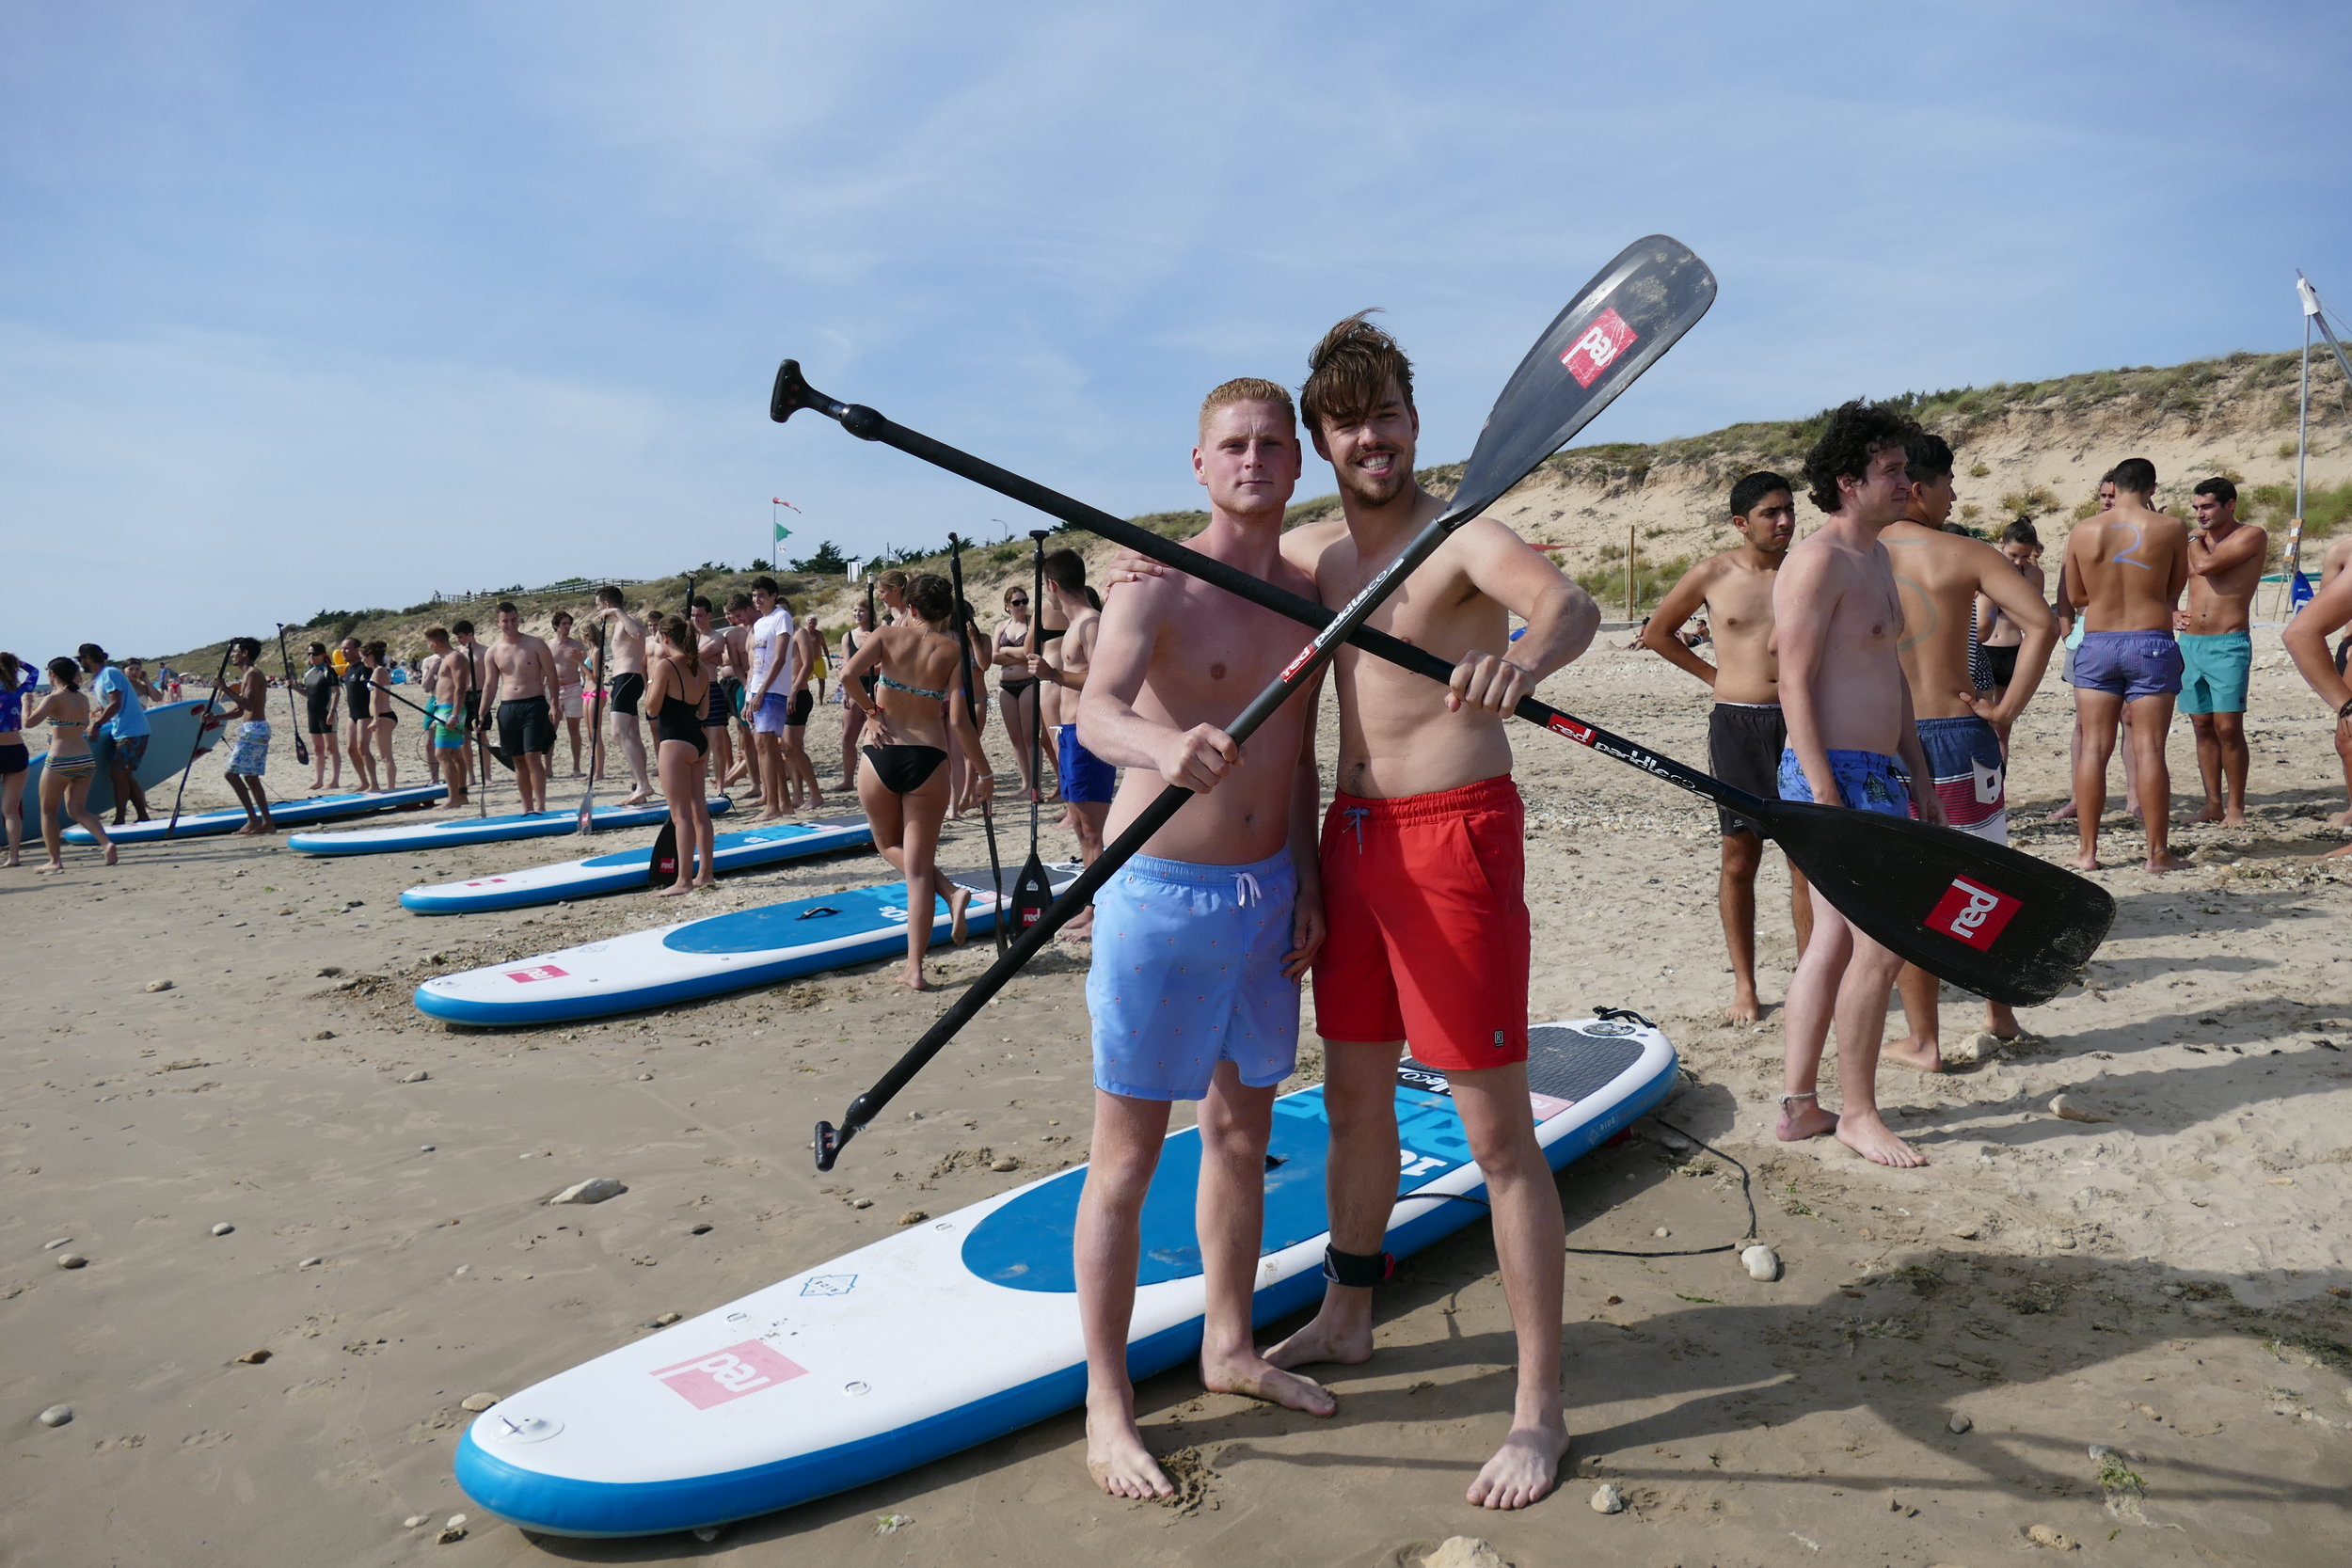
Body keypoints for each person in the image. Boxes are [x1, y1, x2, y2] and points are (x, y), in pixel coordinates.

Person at [1262, 314, 1599, 1512]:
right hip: (1346, 848)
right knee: (1352, 1098)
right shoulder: (1314, 563)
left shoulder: (1460, 539)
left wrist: (1525, 660)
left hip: (1451, 838)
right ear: (1321, 439)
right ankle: (1347, 1311)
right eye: (1347, 420)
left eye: (1387, 413)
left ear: (1414, 420)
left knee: (1497, 1132)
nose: (1372, 436)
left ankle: (1538, 1406)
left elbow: (1564, 604)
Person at [1071, 377, 1336, 1500]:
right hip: (1161, 893)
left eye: (1274, 443)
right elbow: (1092, 709)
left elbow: (1304, 753)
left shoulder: (1312, 589)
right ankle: (1106, 1402)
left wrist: (1311, 884)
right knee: (1126, 1154)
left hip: (1269, 896)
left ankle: (1229, 1346)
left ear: (1297, 460)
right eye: (1233, 444)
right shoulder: (1157, 580)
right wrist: (1161, 743)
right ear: (1198, 461)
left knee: (1239, 1135)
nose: (1254, 459)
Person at [1773, 401, 1945, 1170]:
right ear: (1848, 481)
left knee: (1836, 943)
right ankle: (1859, 1113)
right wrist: (1822, 789)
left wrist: (1920, 771)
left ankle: (1802, 1106)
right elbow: (1793, 680)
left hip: (1879, 773)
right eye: (1892, 470)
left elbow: (1893, 677)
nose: (1906, 481)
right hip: (1833, 773)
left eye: (1908, 469)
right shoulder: (1818, 560)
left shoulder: (1876, 557)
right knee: (1882, 944)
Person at [1877, 432, 2060, 1069]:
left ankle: (1923, 1039)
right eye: (1950, 481)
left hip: (1889, 737)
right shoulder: (1966, 553)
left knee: (1909, 894)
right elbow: (2044, 625)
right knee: (1982, 883)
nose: (1956, 494)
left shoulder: (1857, 555)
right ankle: (1999, 1015)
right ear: (1920, 487)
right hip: (1962, 732)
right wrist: (2007, 710)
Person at [1639, 470, 1814, 1022]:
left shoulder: (1808, 571)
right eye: (1770, 512)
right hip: (1738, 723)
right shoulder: (1713, 574)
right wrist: (1716, 677)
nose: (1784, 520)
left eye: (1789, 509)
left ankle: (1811, 981)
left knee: (1805, 860)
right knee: (1740, 857)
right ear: (1742, 523)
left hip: (1802, 720)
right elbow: (1658, 633)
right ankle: (1745, 985)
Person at [838, 572, 990, 990]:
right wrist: (984, 772)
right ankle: (915, 964)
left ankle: (948, 902)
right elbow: (960, 721)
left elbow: (848, 675)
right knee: (919, 871)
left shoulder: (887, 635)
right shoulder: (954, 651)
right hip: (929, 756)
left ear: (913, 608)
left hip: (882, 751)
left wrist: (871, 711)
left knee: (889, 845)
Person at [2063, 457, 2188, 872]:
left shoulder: (2084, 530)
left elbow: (2077, 595)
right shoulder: (2169, 529)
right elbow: (2173, 589)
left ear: (2113, 487)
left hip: (2098, 640)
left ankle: (2087, 852)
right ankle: (2156, 853)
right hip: (2150, 638)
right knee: (2149, 747)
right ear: (2152, 489)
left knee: (2093, 748)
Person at [2181, 477, 2267, 827]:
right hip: (2190, 643)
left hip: (2228, 642)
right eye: (2196, 508)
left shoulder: (2250, 535)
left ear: (2230, 505)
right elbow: (2173, 580)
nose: (2200, 514)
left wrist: (2189, 539)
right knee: (2201, 725)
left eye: (2207, 506)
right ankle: (2212, 803)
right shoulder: (2194, 544)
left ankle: (2236, 807)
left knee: (2228, 726)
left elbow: (2206, 566)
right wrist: (2171, 608)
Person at [1032, 549, 1109, 934]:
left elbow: (1102, 680)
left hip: (1087, 736)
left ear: (1051, 585)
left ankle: (1099, 910)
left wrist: (1054, 676)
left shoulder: (1090, 624)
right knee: (1080, 828)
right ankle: (1091, 904)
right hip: (1070, 735)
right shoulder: (1075, 624)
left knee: (1093, 831)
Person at [2281, 546, 2352, 859]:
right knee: (2346, 741)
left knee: (2348, 738)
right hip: (2348, 645)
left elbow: (2302, 631)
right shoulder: (2341, 550)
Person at [644, 615, 718, 895]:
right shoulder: (698, 666)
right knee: (700, 810)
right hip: (697, 740)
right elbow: (704, 712)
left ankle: (684, 880)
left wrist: (652, 683)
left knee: (680, 815)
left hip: (674, 742)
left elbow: (652, 709)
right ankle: (706, 873)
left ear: (665, 638)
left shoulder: (666, 666)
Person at [26, 657, 116, 871]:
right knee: (77, 809)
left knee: (48, 811)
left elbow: (28, 722)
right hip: (85, 758)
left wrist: (26, 705)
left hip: (60, 758)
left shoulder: (54, 698)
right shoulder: (83, 698)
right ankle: (106, 843)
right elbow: (84, 724)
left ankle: (54, 861)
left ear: (53, 675)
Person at [475, 601, 560, 814]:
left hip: (534, 704)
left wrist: (555, 704)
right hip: (508, 708)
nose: (510, 624)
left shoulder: (535, 644)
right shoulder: (493, 651)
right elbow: (490, 685)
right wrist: (481, 712)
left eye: (513, 619)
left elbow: (551, 674)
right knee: (518, 760)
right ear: (498, 622)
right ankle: (526, 806)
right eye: (505, 621)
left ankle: (540, 805)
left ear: (518, 619)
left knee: (533, 755)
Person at [203, 636, 277, 834]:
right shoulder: (248, 675)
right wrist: (216, 718)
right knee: (251, 778)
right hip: (252, 729)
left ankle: (254, 819)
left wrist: (224, 687)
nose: (233, 656)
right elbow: (239, 710)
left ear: (244, 653)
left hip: (255, 730)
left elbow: (248, 704)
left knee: (231, 774)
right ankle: (266, 822)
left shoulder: (253, 674)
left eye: (236, 652)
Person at [743, 576, 800, 820]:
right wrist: (749, 696)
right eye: (755, 596)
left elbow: (779, 658)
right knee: (766, 747)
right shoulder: (759, 624)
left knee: (766, 746)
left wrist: (763, 691)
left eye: (762, 595)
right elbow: (755, 664)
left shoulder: (781, 617)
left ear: (774, 595)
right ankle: (784, 803)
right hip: (758, 688)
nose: (757, 600)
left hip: (773, 689)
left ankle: (773, 805)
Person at [592, 587, 654, 806]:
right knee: (632, 734)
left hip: (628, 678)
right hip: (623, 679)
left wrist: (617, 612)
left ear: (607, 605)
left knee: (617, 732)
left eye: (599, 605)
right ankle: (639, 786)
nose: (598, 610)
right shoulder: (619, 623)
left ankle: (643, 784)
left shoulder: (627, 619)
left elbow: (638, 633)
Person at [79, 643, 152, 826]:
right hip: (121, 730)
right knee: (124, 774)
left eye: (81, 659)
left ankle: (120, 818)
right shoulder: (100, 677)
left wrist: (97, 725)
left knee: (117, 772)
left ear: (88, 658)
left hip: (132, 731)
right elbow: (108, 706)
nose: (81, 664)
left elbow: (115, 704)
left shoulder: (110, 673)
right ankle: (142, 815)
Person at [1975, 519, 2044, 708]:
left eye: (2025, 556)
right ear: (2001, 543)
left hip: (2014, 648)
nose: (2017, 562)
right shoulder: (1985, 570)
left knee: (2004, 723)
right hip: (1984, 648)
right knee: (1982, 716)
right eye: (2012, 555)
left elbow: (2035, 617)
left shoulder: (2033, 575)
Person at [993, 581, 1046, 800]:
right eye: (1017, 602)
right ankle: (1025, 784)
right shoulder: (1000, 627)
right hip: (1006, 685)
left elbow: (1034, 652)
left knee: (1030, 736)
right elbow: (993, 656)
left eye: (1024, 601)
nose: (1021, 605)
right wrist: (1017, 652)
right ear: (1007, 605)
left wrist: (1007, 651)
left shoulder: (1033, 623)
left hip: (1028, 682)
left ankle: (1036, 785)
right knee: (1015, 738)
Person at [783, 603, 828, 812]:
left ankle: (815, 794)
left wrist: (793, 690)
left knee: (794, 747)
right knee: (789, 749)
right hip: (784, 694)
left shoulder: (798, 633)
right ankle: (798, 794)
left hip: (799, 693)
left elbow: (807, 664)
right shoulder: (779, 634)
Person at [422, 626, 472, 806]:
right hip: (443, 708)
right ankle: (462, 795)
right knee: (455, 753)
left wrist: (454, 715)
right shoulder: (446, 659)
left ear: (435, 642)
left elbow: (460, 688)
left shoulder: (455, 658)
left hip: (451, 709)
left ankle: (453, 798)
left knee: (442, 754)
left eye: (429, 643)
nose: (429, 646)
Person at [690, 597, 735, 788]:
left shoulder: (717, 637)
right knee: (697, 742)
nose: (695, 619)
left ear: (709, 615)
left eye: (699, 615)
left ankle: (721, 785)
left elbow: (693, 658)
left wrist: (698, 656)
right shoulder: (689, 637)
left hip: (711, 688)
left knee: (716, 740)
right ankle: (698, 784)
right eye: (693, 615)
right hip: (692, 692)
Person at [721, 593, 761, 793]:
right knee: (746, 735)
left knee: (767, 736)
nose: (737, 620)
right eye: (733, 616)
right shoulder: (733, 635)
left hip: (765, 684)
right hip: (743, 685)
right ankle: (755, 784)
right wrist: (746, 683)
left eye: (738, 615)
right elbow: (736, 665)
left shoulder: (763, 625)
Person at [836, 599, 875, 794]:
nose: (857, 614)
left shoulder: (877, 633)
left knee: (874, 737)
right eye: (855, 610)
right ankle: (847, 779)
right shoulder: (848, 637)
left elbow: (883, 665)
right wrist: (845, 690)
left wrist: (859, 671)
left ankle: (873, 779)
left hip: (875, 689)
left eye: (861, 610)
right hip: (853, 689)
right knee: (847, 737)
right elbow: (846, 664)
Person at [1, 651, 36, 867]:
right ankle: (14, 857)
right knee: (11, 811)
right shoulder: (21, 691)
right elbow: (34, 672)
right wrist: (17, 663)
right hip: (16, 749)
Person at [550, 610, 592, 777]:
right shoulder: (548, 645)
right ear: (556, 626)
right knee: (551, 728)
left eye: (569, 624)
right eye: (564, 624)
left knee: (573, 729)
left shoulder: (577, 645)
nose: (567, 627)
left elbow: (586, 670)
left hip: (573, 687)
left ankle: (576, 767)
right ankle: (547, 767)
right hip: (553, 688)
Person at [299, 641, 341, 792]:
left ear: (323, 655)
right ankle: (318, 780)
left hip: (326, 712)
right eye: (309, 654)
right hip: (312, 713)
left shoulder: (328, 671)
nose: (311, 657)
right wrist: (295, 688)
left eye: (314, 654)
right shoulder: (308, 673)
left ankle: (334, 780)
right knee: (317, 749)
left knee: (331, 748)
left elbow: (336, 692)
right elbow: (308, 693)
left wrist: (333, 711)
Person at [341, 637, 378, 791]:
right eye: (342, 648)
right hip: (353, 714)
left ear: (357, 650)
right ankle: (364, 782)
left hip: (365, 713)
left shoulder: (365, 668)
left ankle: (374, 783)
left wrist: (375, 716)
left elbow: (375, 692)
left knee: (363, 748)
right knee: (351, 749)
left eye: (347, 648)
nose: (343, 651)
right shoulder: (348, 669)